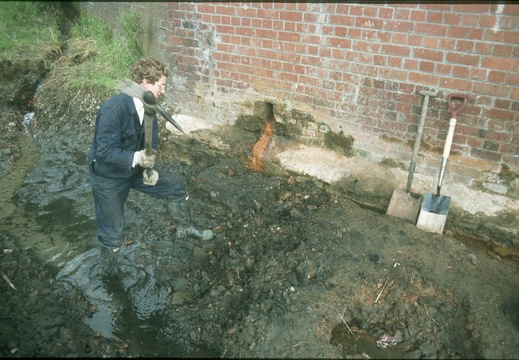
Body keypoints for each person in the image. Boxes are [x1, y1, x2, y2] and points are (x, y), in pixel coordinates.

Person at [87, 58, 214, 272]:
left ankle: (185, 227)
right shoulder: (113, 109)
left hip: (136, 171)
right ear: (145, 83)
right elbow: (104, 152)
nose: (163, 91)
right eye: (160, 85)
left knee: (175, 188)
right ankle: (110, 276)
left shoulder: (148, 105)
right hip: (108, 176)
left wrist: (149, 166)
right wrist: (136, 159)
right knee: (113, 232)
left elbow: (151, 138)